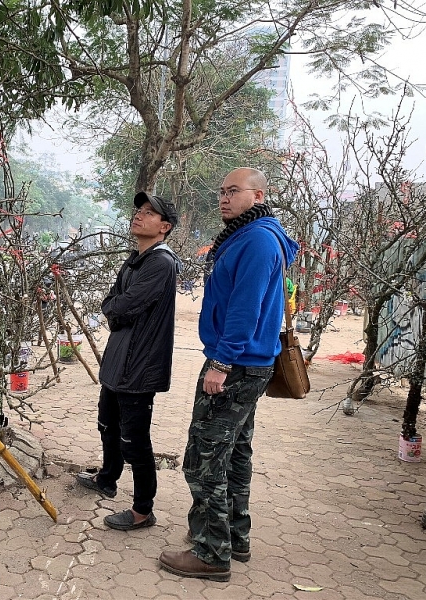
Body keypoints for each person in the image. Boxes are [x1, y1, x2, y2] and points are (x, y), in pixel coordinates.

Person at [158, 168, 298, 581]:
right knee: (235, 450)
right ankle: (235, 536)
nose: (224, 198)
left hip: (235, 363)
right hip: (247, 361)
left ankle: (211, 552)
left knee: (203, 457)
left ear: (257, 195)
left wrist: (221, 363)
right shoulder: (251, 234)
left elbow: (245, 308)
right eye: (221, 191)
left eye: (233, 192)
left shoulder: (256, 240)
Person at [76, 191, 182, 531]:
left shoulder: (161, 263)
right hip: (118, 360)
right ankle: (107, 478)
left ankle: (142, 510)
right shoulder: (138, 256)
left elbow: (122, 307)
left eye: (150, 213)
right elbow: (113, 301)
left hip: (139, 365)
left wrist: (116, 311)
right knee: (107, 424)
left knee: (134, 440)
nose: (140, 215)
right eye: (139, 209)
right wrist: (116, 310)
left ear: (164, 226)